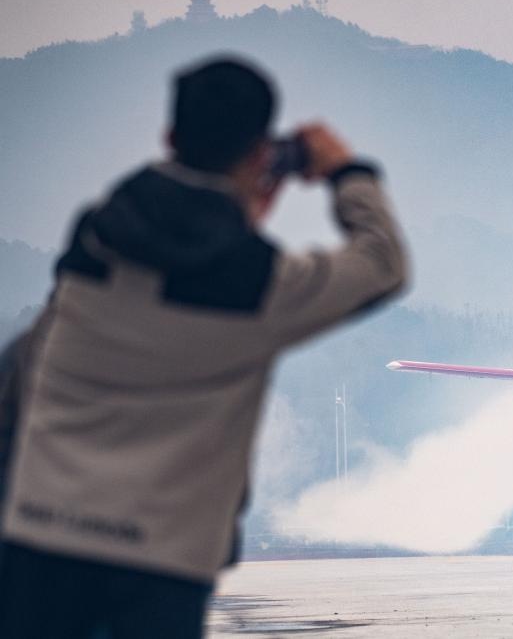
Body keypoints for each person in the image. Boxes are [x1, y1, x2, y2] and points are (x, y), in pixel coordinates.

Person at [0, 57, 407, 638]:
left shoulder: (93, 244)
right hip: (161, 563)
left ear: (169, 138)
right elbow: (382, 263)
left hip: (38, 542)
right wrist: (349, 171)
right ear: (262, 156)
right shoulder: (262, 289)